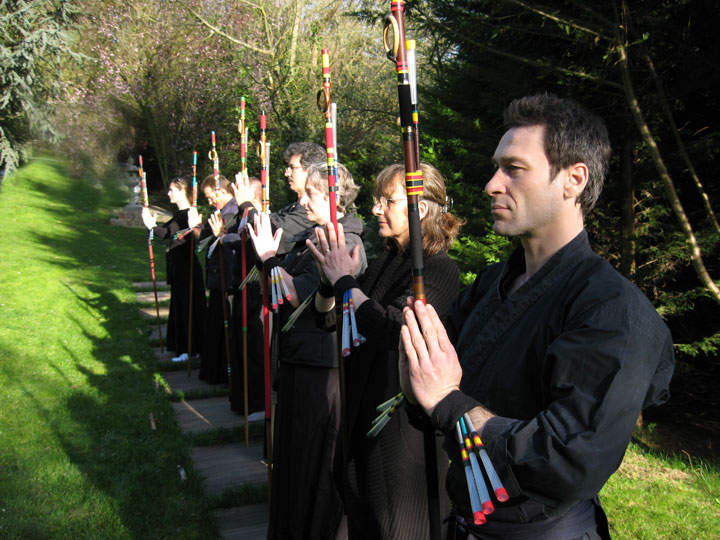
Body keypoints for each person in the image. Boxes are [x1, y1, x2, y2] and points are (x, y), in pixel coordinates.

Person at [399, 94, 675, 540]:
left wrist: (448, 401)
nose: (491, 184)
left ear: (574, 180)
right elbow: (431, 402)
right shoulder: (490, 286)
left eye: (514, 168)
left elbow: (567, 460)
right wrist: (417, 379)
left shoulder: (613, 312)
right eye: (496, 167)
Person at [308, 163, 463, 539]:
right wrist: (330, 283)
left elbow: (393, 328)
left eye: (387, 201)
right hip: (362, 417)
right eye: (377, 200)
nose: (376, 209)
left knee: (395, 526)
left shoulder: (438, 271)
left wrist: (344, 282)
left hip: (400, 433)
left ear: (419, 208)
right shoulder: (383, 263)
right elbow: (329, 320)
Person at [249, 162, 367, 540]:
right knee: (293, 457)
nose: (304, 200)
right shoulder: (310, 238)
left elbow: (298, 295)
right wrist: (269, 263)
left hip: (323, 367)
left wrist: (269, 258)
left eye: (313, 193)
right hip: (298, 358)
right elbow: (276, 291)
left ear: (336, 198)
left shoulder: (344, 241)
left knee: (314, 460)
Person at [141, 177, 206, 358]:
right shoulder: (179, 214)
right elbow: (165, 231)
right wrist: (152, 226)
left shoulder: (187, 214)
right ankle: (185, 347)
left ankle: (189, 349)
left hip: (187, 268)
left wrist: (151, 225)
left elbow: (167, 233)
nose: (168, 193)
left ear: (182, 190)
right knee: (180, 306)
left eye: (172, 190)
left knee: (187, 307)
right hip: (180, 267)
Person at [189, 174, 239, 384]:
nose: (210, 202)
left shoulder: (231, 212)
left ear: (222, 191)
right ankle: (215, 370)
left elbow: (210, 237)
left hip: (227, 277)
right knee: (216, 325)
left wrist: (196, 227)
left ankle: (221, 372)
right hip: (220, 276)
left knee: (222, 327)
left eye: (211, 197)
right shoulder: (223, 211)